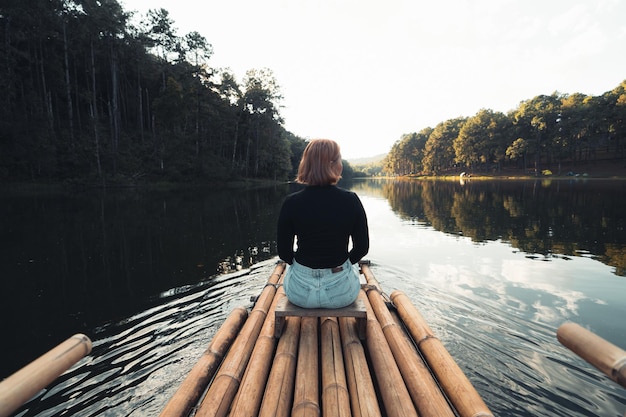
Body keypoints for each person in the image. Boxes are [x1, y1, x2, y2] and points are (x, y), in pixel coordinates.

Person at [277, 139, 369, 309]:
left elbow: (284, 253)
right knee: (352, 267)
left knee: (292, 270)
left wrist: (305, 268)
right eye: (340, 159)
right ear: (334, 165)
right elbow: (362, 248)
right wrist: (342, 265)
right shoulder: (351, 200)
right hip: (341, 294)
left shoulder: (291, 202)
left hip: (300, 295)